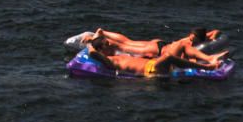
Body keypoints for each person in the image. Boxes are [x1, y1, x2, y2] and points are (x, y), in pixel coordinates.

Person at [87, 35, 222, 77]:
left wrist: (92, 39)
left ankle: (209, 58)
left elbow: (96, 50)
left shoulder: (119, 54)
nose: (110, 45)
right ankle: (209, 68)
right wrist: (90, 44)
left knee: (182, 43)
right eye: (106, 44)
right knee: (168, 56)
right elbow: (92, 52)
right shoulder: (109, 61)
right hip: (151, 71)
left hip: (154, 63)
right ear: (101, 50)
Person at [86, 27, 228, 65]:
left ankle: (102, 32)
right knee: (125, 46)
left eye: (194, 40)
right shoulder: (190, 43)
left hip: (160, 44)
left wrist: (211, 38)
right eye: (191, 38)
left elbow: (215, 32)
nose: (191, 41)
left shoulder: (191, 41)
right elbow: (215, 32)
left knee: (128, 42)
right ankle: (99, 36)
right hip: (157, 49)